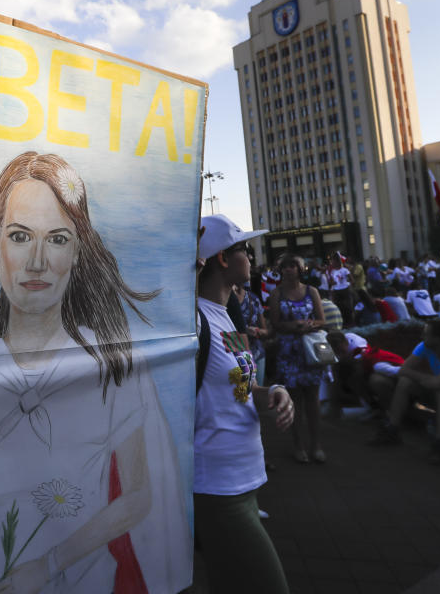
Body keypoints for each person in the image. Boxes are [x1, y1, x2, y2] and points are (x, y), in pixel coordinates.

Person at [0, 152, 190, 594]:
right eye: (20, 236)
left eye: (57, 239)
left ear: (77, 252)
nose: (36, 261)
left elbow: (137, 496)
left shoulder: (110, 361)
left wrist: (46, 566)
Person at [194, 214, 293, 594]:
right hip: (217, 486)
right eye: (245, 249)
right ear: (222, 259)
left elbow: (244, 385)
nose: (252, 258)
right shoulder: (195, 323)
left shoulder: (228, 318)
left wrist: (274, 393)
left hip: (245, 482)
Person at [369, 320, 440, 464]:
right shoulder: (425, 347)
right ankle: (393, 429)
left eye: (426, 334)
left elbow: (438, 383)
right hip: (438, 392)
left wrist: (430, 379)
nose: (422, 336)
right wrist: (427, 378)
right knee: (405, 381)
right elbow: (404, 370)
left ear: (438, 339)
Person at [270, 253, 327, 464]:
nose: (288, 270)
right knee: (294, 400)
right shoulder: (277, 294)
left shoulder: (312, 291)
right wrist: (294, 326)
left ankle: (316, 444)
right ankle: (298, 445)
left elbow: (322, 319)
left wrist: (311, 325)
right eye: (285, 267)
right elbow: (274, 323)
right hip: (289, 351)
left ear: (300, 269)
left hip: (309, 350)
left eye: (293, 266)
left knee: (313, 398)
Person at [326, 331, 404, 419]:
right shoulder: (345, 343)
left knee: (359, 377)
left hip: (372, 369)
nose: (340, 355)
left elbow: (399, 370)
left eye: (341, 351)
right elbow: (330, 372)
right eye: (336, 352)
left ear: (345, 342)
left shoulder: (362, 351)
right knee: (338, 374)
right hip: (361, 367)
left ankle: (377, 407)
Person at [235, 281, 269, 385]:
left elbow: (265, 331)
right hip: (234, 355)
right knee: (241, 394)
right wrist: (244, 331)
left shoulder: (253, 299)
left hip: (256, 354)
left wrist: (257, 331)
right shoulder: (223, 299)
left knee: (256, 392)